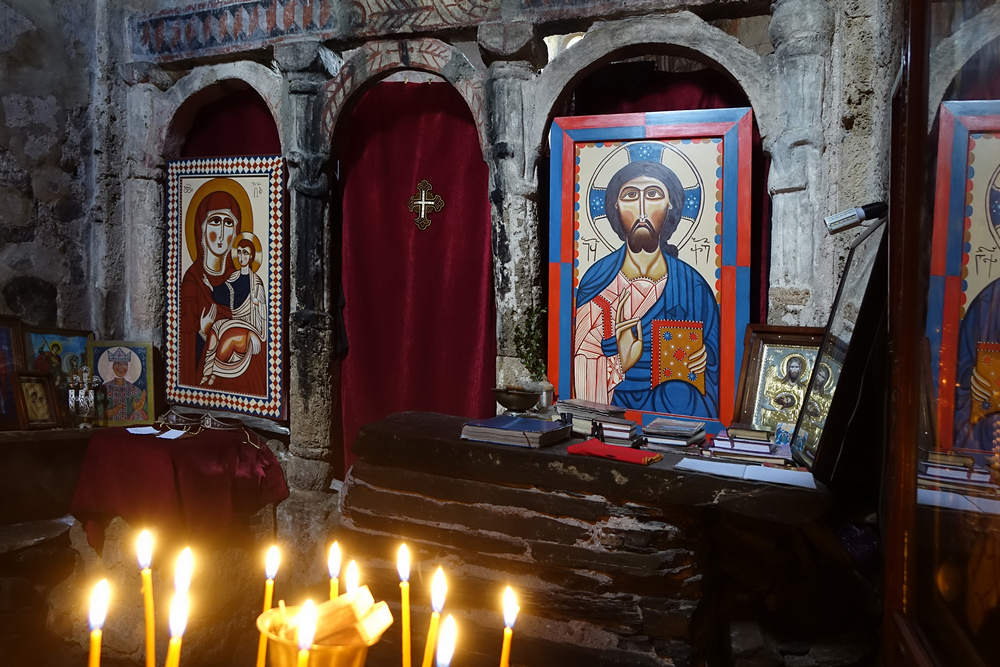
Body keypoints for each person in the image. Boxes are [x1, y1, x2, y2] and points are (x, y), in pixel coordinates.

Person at [572, 160, 720, 416]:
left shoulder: (694, 286)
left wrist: (707, 360)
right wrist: (622, 362)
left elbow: (715, 371)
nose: (641, 209)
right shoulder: (597, 284)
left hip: (677, 416)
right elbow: (582, 380)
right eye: (630, 196)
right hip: (613, 420)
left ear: (670, 205)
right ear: (615, 207)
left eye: (653, 195)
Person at [179, 188, 267, 395]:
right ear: (201, 228)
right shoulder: (192, 280)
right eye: (214, 222)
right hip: (205, 383)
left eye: (228, 224)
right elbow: (184, 343)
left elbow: (256, 316)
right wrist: (201, 330)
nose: (221, 235)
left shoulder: (238, 278)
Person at [199, 235, 268, 385]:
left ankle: (213, 374)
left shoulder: (256, 283)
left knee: (227, 339)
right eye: (240, 252)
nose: (242, 256)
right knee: (214, 329)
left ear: (251, 257)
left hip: (248, 325)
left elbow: (263, 312)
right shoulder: (234, 276)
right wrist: (210, 286)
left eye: (246, 253)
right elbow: (224, 292)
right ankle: (207, 371)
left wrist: (257, 303)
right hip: (235, 321)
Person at [102, 347, 147, 421]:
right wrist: (114, 410)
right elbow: (98, 414)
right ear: (111, 367)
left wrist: (139, 407)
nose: (121, 368)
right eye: (117, 364)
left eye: (124, 364)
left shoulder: (134, 390)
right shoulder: (104, 389)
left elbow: (142, 415)